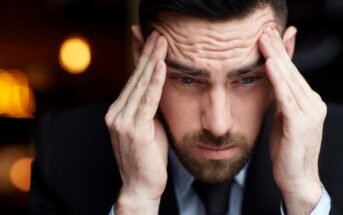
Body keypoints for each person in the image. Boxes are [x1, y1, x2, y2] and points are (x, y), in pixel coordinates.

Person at [29, 0, 343, 214]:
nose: (218, 125)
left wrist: (304, 198)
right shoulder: (63, 152)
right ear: (140, 53)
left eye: (248, 79)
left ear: (285, 55)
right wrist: (137, 201)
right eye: (187, 80)